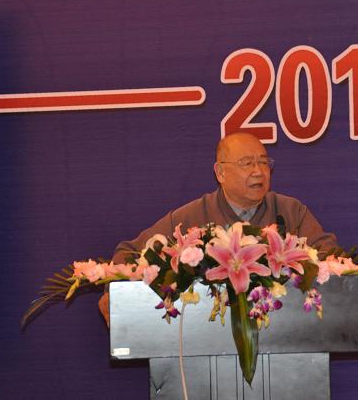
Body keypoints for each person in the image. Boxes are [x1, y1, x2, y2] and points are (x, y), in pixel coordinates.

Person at [98, 132, 338, 324]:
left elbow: (330, 255)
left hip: (285, 330)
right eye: (247, 163)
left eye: (264, 162)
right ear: (220, 173)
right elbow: (128, 254)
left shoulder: (290, 211)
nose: (259, 171)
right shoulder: (191, 217)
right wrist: (115, 292)